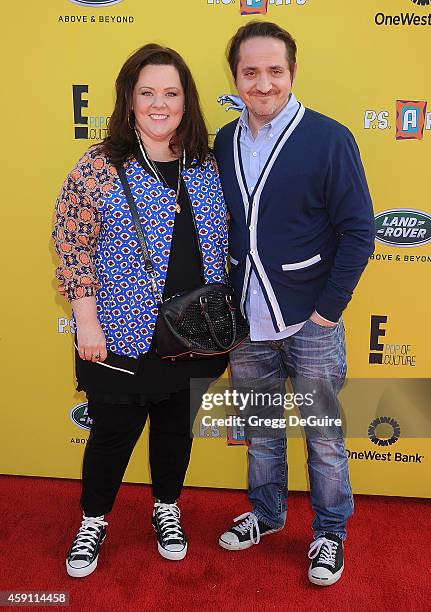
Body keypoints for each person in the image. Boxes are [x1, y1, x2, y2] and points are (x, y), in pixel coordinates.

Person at [53, 44, 229, 577]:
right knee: (111, 435)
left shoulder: (207, 163)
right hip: (120, 334)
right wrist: (86, 320)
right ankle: (94, 520)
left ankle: (167, 508)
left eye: (171, 93)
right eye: (147, 92)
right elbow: (71, 244)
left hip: (193, 333)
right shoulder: (99, 166)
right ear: (129, 100)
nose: (160, 103)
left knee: (176, 429)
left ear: (186, 100)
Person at [214, 21, 375, 586]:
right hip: (248, 322)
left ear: (292, 73)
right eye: (250, 72)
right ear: (235, 77)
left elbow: (359, 231)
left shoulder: (329, 138)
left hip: (310, 320)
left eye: (274, 71)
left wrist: (327, 311)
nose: (263, 83)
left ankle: (330, 532)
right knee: (260, 430)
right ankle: (266, 514)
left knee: (325, 439)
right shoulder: (224, 140)